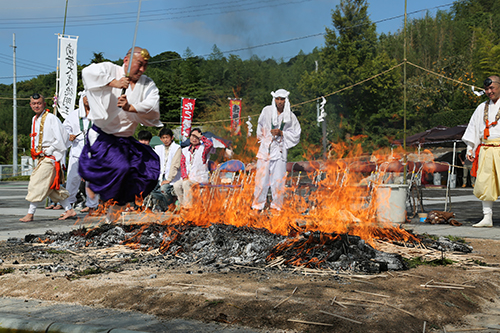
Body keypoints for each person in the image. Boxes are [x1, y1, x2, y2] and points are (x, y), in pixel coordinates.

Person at [79, 47, 162, 208]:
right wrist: (114, 83)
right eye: (139, 64)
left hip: (126, 140)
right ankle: (97, 190)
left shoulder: (147, 83)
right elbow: (87, 73)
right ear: (126, 60)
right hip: (104, 136)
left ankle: (117, 208)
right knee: (120, 167)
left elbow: (152, 107)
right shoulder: (110, 69)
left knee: (150, 166)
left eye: (145, 65)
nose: (142, 69)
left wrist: (130, 107)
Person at [19, 93, 76, 222]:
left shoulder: (51, 118)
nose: (36, 106)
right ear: (30, 105)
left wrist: (49, 150)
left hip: (51, 157)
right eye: (34, 103)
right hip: (41, 157)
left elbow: (62, 138)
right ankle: (69, 210)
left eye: (39, 103)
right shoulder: (34, 119)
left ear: (44, 104)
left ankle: (30, 213)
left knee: (36, 183)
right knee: (52, 188)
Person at [252, 89, 301, 211]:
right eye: (277, 99)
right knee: (261, 181)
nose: (279, 101)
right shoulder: (266, 110)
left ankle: (276, 207)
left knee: (278, 181)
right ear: (274, 99)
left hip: (279, 151)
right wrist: (265, 139)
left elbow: (296, 134)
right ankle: (257, 206)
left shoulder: (290, 116)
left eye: (282, 99)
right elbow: (260, 128)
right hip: (265, 150)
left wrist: (282, 133)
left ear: (286, 100)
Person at [462, 75, 500, 227]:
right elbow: (473, 128)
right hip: (485, 148)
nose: (489, 91)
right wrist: (470, 148)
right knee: (485, 183)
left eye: (492, 88)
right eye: (486, 89)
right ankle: (487, 217)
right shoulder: (481, 107)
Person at [62, 92, 100, 215]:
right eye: (86, 97)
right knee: (72, 180)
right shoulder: (73, 115)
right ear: (82, 98)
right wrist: (69, 136)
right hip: (76, 154)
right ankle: (69, 207)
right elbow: (64, 130)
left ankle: (92, 207)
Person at [173, 128, 213, 208]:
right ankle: (183, 205)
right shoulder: (184, 150)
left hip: (199, 178)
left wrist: (201, 136)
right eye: (193, 136)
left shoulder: (203, 149)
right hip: (188, 179)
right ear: (189, 137)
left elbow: (210, 144)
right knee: (176, 185)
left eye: (197, 136)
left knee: (186, 184)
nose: (194, 139)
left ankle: (189, 207)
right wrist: (184, 177)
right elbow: (183, 165)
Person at [152, 128, 181, 209]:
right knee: (151, 189)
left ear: (171, 137)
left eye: (167, 137)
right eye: (163, 138)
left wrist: (169, 179)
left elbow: (175, 165)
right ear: (160, 139)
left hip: (172, 176)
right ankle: (166, 206)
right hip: (160, 175)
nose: (165, 140)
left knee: (164, 189)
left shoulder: (177, 148)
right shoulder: (158, 148)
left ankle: (170, 207)